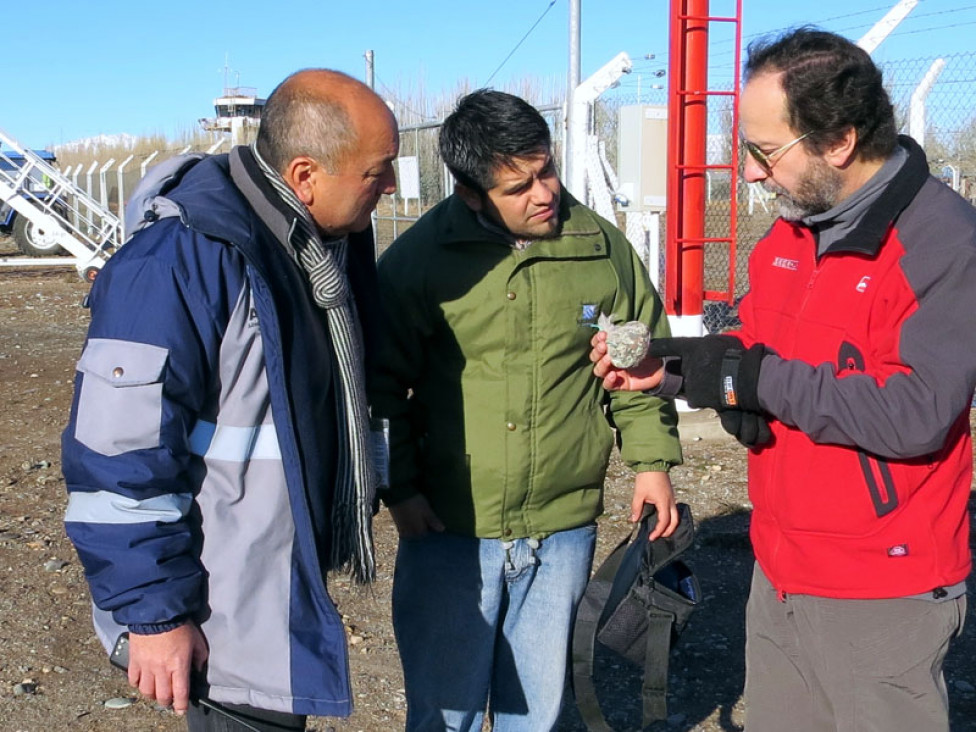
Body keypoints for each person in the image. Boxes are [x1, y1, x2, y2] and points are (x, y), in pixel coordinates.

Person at [591, 28, 976, 732]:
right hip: (781, 566)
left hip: (882, 584)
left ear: (838, 142)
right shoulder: (790, 235)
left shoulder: (944, 242)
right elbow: (751, 353)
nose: (753, 173)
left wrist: (751, 381)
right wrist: (669, 366)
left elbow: (917, 412)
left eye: (766, 152)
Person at [61, 69, 398, 731]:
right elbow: (117, 454)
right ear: (305, 175)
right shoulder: (178, 264)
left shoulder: (310, 250)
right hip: (223, 606)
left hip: (267, 587)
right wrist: (155, 615)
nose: (389, 188)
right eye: (377, 172)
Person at [367, 89, 683, 731]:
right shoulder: (420, 263)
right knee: (443, 712)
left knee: (537, 716)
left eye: (548, 170)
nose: (545, 193)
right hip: (450, 529)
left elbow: (638, 362)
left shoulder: (600, 249)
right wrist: (397, 489)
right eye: (520, 186)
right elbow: (378, 388)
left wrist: (652, 463)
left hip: (562, 528)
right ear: (471, 192)